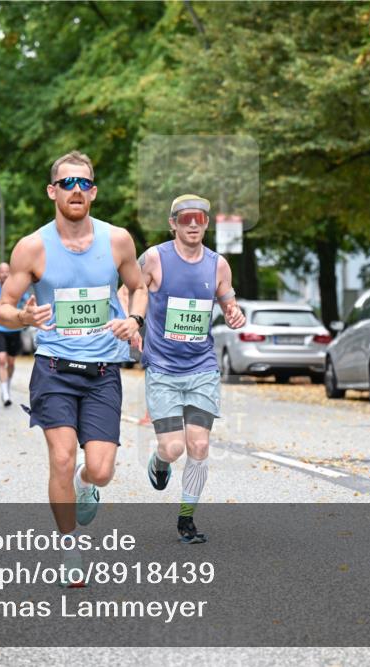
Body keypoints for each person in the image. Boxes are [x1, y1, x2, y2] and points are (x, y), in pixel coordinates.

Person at [0, 151, 146, 585]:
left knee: (100, 470)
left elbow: (138, 288)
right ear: (52, 191)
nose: (76, 190)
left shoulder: (118, 240)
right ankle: (70, 549)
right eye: (67, 183)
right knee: (61, 458)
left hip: (102, 373)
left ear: (94, 192)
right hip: (55, 369)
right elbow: (4, 308)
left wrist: (133, 320)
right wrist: (22, 318)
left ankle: (87, 483)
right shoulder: (32, 247)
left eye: (84, 183)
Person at [138, 195, 246, 544]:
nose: (194, 224)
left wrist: (234, 313)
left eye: (200, 218)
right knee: (173, 449)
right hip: (163, 370)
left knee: (198, 446)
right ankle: (159, 463)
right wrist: (131, 327)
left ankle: (187, 519)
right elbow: (132, 293)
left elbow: (228, 300)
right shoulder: (154, 258)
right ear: (173, 223)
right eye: (186, 219)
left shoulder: (218, 265)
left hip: (201, 368)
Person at [0, 263, 28, 406]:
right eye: (1, 271)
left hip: (14, 328)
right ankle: (5, 393)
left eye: (7, 271)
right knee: (1, 359)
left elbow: (26, 302)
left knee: (11, 362)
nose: (4, 274)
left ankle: (7, 383)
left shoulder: (18, 286)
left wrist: (26, 312)